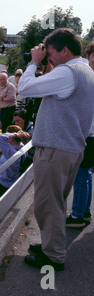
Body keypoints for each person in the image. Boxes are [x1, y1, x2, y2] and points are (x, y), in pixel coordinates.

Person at [18, 28, 94, 271]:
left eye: (49, 54)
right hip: (71, 148)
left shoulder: (68, 72)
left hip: (55, 150)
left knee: (47, 204)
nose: (47, 59)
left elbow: (25, 88)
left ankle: (53, 257)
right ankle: (52, 245)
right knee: (57, 203)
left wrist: (33, 62)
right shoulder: (86, 71)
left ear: (64, 50)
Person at [67, 41, 94, 228]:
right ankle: (84, 212)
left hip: (89, 133)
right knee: (86, 174)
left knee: (81, 175)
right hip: (89, 132)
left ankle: (77, 215)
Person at [0, 125, 29, 201]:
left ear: (11, 138)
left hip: (5, 183)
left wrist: (16, 134)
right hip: (12, 180)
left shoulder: (11, 152)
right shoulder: (21, 146)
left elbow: (0, 137)